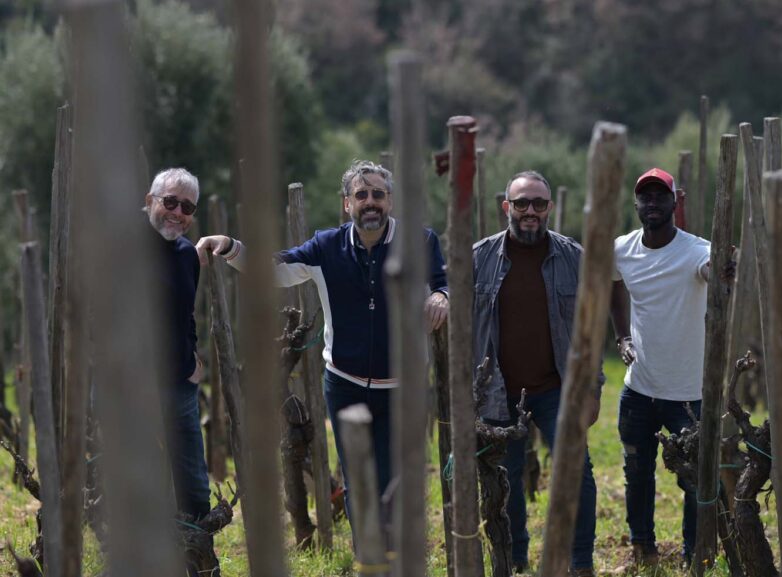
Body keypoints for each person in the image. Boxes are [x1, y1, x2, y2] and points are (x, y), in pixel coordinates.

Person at [196, 159, 448, 508]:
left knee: (396, 486)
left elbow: (442, 283)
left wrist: (440, 296)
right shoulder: (326, 246)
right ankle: (368, 561)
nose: (370, 201)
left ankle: (396, 560)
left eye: (378, 194)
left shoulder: (420, 241)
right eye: (361, 195)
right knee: (357, 486)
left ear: (390, 201)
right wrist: (230, 246)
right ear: (347, 204)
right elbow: (276, 269)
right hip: (344, 386)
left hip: (403, 388)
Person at [472, 170, 599, 577]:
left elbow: (591, 328)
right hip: (496, 390)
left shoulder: (573, 257)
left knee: (576, 473)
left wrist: (592, 388)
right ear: (506, 207)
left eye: (538, 204)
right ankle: (515, 557)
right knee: (504, 479)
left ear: (549, 208)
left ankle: (579, 561)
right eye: (522, 203)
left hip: (555, 386)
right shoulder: (479, 258)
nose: (530, 211)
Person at [609, 167, 719, 568]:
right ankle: (643, 550)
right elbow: (612, 283)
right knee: (636, 473)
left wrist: (721, 270)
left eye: (660, 196)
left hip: (689, 395)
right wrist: (622, 336)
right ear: (636, 204)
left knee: (693, 479)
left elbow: (713, 270)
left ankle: (696, 557)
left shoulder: (696, 250)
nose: (652, 202)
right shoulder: (622, 248)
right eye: (645, 196)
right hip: (639, 388)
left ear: (677, 201)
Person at [144, 168, 211, 522]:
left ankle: (201, 565)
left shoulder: (187, 255)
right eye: (170, 201)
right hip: (131, 388)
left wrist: (192, 362)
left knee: (195, 488)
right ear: (150, 201)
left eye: (187, 207)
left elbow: (186, 315)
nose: (178, 213)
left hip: (179, 389)